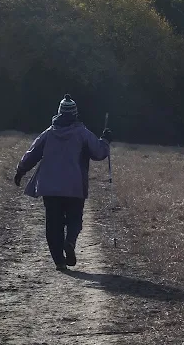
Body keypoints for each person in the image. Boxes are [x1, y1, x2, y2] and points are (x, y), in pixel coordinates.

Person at [14, 95, 113, 271]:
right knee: (75, 219)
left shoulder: (49, 133)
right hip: (75, 186)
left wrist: (21, 170)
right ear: (75, 114)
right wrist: (105, 140)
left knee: (53, 224)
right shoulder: (83, 133)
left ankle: (59, 261)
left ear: (59, 113)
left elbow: (32, 153)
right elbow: (98, 153)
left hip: (50, 187)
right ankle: (70, 241)